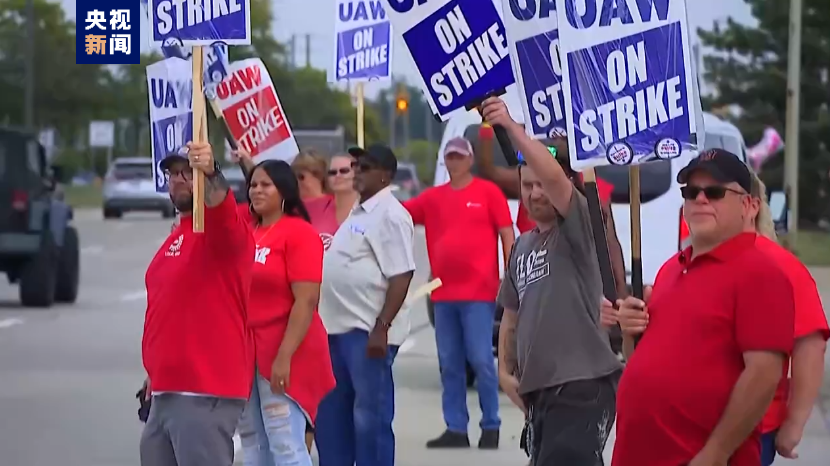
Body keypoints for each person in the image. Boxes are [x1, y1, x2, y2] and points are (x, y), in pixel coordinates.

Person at [609, 149, 795, 466]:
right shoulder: (671, 269)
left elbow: (764, 374)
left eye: (715, 192)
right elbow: (640, 360)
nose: (700, 200)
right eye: (691, 192)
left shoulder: (761, 272)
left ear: (749, 205)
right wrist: (629, 331)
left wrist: (716, 453)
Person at [481, 96, 622, 465]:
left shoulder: (578, 228)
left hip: (581, 387)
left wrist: (513, 128)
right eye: (527, 185)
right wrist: (504, 372)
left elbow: (557, 179)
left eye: (541, 184)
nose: (535, 192)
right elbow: (511, 315)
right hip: (540, 394)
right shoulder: (524, 245)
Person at [140, 142, 255, 466]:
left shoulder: (222, 232)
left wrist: (210, 173)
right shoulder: (179, 233)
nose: (178, 180)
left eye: (187, 173)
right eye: (173, 174)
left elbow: (221, 207)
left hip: (204, 390)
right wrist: (154, 374)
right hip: (165, 389)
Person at [401, 136, 513, 449]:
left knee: (480, 358)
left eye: (459, 157)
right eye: (450, 157)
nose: (454, 162)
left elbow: (506, 233)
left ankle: (491, 425)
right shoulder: (432, 198)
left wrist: (511, 274)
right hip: (442, 293)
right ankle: (456, 428)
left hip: (479, 292)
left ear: (470, 160)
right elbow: (399, 216)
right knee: (450, 363)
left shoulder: (488, 192)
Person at [315, 144, 416, 466]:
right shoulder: (360, 212)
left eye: (365, 167)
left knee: (369, 420)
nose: (357, 172)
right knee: (332, 417)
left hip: (366, 333)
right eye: (355, 166)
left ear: (385, 175)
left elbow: (401, 274)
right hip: (335, 330)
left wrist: (381, 328)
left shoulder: (390, 215)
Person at [236, 158, 336, 466]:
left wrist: (284, 356)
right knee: (253, 443)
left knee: (286, 445)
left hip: (286, 352)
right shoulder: (246, 232)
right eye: (253, 185)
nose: (257, 191)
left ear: (284, 191)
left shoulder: (299, 233)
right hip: (247, 353)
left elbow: (306, 301)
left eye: (266, 185)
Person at [474, 124, 628, 299]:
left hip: (572, 278)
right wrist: (487, 126)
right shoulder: (529, 177)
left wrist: (621, 286)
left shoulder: (595, 188)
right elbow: (489, 170)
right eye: (553, 137)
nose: (535, 192)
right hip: (533, 275)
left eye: (563, 138)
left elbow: (610, 241)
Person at [327, 153, 360, 226]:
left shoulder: (369, 209)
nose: (337, 176)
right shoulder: (319, 209)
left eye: (344, 171)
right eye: (332, 172)